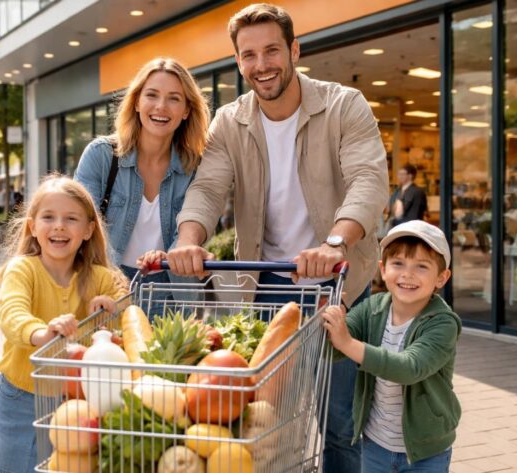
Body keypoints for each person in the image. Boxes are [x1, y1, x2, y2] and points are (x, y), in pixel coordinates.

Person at [147, 4, 389, 471]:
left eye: (272, 50)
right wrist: (187, 239)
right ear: (238, 61)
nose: (262, 65)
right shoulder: (229, 122)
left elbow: (368, 179)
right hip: (266, 288)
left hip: (339, 285)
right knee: (265, 423)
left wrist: (335, 243)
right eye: (249, 55)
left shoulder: (344, 105)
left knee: (340, 422)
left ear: (295, 50)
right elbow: (208, 188)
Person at [0, 175, 126, 472]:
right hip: (22, 396)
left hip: (78, 401)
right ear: (32, 226)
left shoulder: (100, 277)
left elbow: (125, 310)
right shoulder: (22, 269)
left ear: (88, 230)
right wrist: (41, 333)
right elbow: (11, 312)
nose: (59, 226)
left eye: (71, 218)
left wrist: (112, 308)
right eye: (49, 217)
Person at [321, 220, 461, 472]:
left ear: (442, 277)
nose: (407, 274)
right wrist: (329, 323)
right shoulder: (371, 309)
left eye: (421, 266)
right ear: (383, 270)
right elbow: (332, 350)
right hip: (375, 445)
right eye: (398, 264)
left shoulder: (442, 323)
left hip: (427, 452)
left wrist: (347, 342)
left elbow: (409, 368)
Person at [74, 57, 210, 298]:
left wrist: (167, 257)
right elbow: (80, 226)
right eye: (152, 95)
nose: (161, 106)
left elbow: (192, 230)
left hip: (171, 291)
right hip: (107, 288)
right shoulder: (101, 156)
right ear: (137, 102)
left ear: (187, 111)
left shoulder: (195, 167)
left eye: (174, 98)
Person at [387, 164, 428, 229]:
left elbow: (415, 215)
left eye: (402, 174)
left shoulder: (417, 192)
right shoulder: (397, 191)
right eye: (399, 174)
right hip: (395, 227)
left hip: (410, 228)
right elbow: (391, 210)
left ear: (410, 176)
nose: (399, 176)